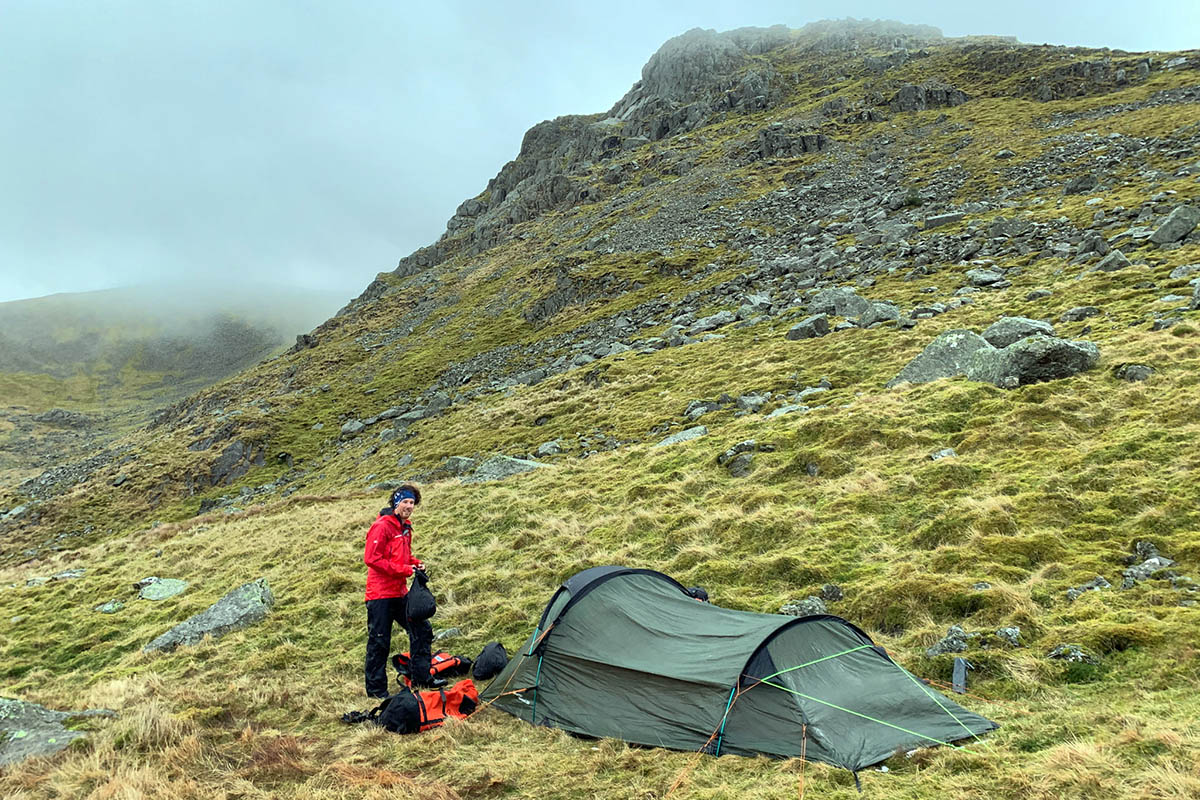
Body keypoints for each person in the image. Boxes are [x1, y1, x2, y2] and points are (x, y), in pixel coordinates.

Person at [363, 484, 441, 697]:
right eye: (405, 502)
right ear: (396, 503)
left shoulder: (404, 527)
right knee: (379, 641)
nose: (409, 506)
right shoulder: (382, 526)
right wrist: (405, 570)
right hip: (380, 595)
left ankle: (422, 679)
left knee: (421, 630)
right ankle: (376, 691)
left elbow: (402, 556)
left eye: (412, 503)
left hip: (400, 593)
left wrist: (415, 563)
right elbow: (372, 559)